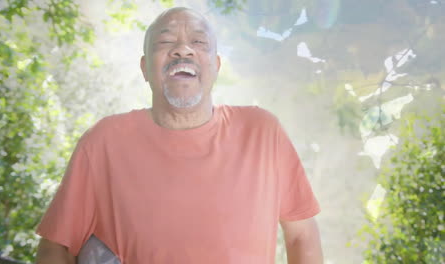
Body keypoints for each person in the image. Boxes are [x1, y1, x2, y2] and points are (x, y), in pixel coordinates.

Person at [35, 7, 323, 264]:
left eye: (198, 42)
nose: (183, 50)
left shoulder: (262, 132)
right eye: (165, 42)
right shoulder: (103, 142)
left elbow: (302, 236)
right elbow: (55, 248)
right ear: (145, 68)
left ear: (216, 66)